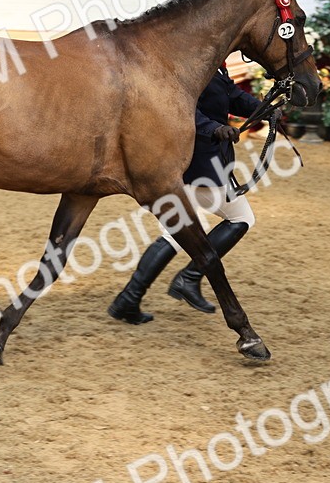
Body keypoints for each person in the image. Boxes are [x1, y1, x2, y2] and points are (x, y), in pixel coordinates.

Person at [108, 64, 262, 323]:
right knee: (240, 218)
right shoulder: (192, 64)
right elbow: (183, 108)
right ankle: (188, 278)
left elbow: (232, 96)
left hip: (207, 163)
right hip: (198, 161)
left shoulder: (216, 63)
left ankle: (130, 298)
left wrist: (267, 110)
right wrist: (213, 128)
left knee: (180, 231)